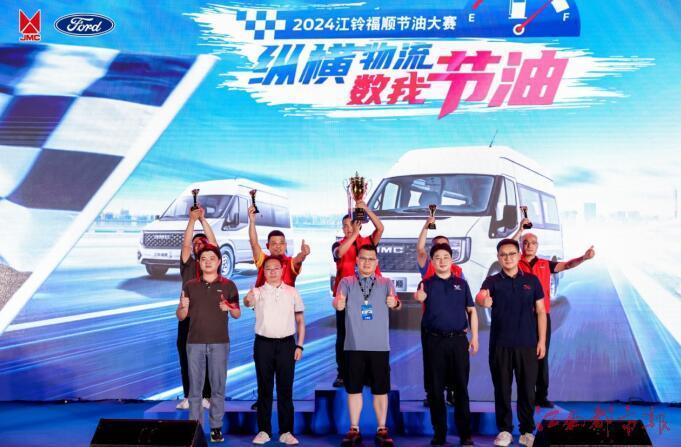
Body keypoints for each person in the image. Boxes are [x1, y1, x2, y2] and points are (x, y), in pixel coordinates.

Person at [513, 227, 595, 408]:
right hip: (520, 318)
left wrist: (583, 258)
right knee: (522, 357)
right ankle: (526, 395)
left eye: (533, 243)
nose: (529, 246)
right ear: (521, 245)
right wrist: (519, 230)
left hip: (541, 317)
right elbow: (507, 247)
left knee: (541, 355)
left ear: (537, 246)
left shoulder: (545, 264)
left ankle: (541, 396)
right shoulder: (515, 262)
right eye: (525, 243)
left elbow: (567, 265)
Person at [476, 239, 547, 447]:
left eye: (512, 254)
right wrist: (483, 300)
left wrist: (542, 341)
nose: (508, 258)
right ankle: (505, 431)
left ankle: (527, 431)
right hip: (500, 345)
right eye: (503, 255)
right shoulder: (492, 281)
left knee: (527, 390)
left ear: (519, 255)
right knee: (502, 389)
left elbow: (541, 311)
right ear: (498, 258)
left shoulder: (532, 281)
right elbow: (480, 296)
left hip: (528, 344)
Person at [333, 244, 400, 447]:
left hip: (379, 346)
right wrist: (338, 304)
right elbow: (338, 301)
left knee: (380, 390)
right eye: (363, 258)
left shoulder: (386, 283)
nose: (367, 262)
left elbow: (396, 303)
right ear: (357, 261)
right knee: (354, 390)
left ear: (376, 262)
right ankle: (354, 429)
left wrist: (395, 304)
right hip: (353, 346)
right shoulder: (346, 282)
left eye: (371, 259)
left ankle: (382, 429)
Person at [176, 244, 241, 443]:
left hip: (219, 342)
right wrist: (183, 308)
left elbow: (237, 313)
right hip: (194, 342)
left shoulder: (229, 285)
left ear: (219, 261)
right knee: (195, 389)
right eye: (203, 259)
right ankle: (195, 428)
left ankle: (216, 428)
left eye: (212, 258)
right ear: (199, 263)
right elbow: (180, 316)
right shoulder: (190, 286)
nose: (208, 262)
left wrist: (229, 307)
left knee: (217, 387)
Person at [415, 243, 477, 446]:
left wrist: (475, 337)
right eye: (437, 258)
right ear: (432, 262)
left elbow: (471, 311)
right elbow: (419, 297)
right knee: (435, 390)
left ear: (452, 260)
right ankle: (439, 433)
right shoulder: (426, 284)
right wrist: (419, 297)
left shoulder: (462, 284)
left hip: (458, 341)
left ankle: (465, 434)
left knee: (461, 389)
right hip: (434, 342)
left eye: (445, 257)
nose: (442, 261)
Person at [245, 256, 306, 445]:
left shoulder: (292, 292)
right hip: (263, 344)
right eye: (268, 269)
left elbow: (300, 321)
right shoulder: (257, 292)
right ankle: (264, 431)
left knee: (285, 389)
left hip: (287, 345)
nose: (272, 272)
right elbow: (247, 302)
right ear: (263, 272)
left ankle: (286, 431)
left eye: (276, 268)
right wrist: (248, 299)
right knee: (264, 388)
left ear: (282, 270)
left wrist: (299, 345)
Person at [331, 202, 384, 388]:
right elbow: (339, 254)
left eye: (351, 225)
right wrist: (353, 234)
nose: (347, 228)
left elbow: (380, 228)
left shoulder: (367, 243)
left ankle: (367, 373)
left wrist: (365, 208)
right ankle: (342, 373)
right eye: (345, 226)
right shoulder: (339, 245)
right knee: (344, 336)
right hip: (345, 299)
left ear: (359, 225)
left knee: (367, 334)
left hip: (367, 298)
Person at [416, 215, 463, 407]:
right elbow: (420, 248)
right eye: (437, 245)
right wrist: (426, 225)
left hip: (453, 324)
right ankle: (431, 394)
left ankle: (451, 392)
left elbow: (463, 299)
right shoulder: (427, 266)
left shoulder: (458, 271)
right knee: (431, 360)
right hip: (431, 325)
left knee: (452, 361)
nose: (441, 248)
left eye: (445, 245)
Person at [177, 206, 218, 410]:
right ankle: (188, 396)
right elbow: (185, 244)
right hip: (187, 317)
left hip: (207, 318)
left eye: (201, 242)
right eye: (195, 244)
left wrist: (202, 220)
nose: (197, 245)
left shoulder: (211, 264)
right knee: (186, 357)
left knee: (207, 357)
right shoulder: (188, 265)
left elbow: (214, 242)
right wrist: (192, 221)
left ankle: (207, 396)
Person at [248, 205, 309, 288]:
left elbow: (299, 259)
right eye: (274, 243)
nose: (278, 246)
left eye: (281, 243)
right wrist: (252, 221)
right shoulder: (262, 260)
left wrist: (303, 254)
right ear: (268, 246)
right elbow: (254, 243)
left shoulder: (290, 263)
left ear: (286, 245)